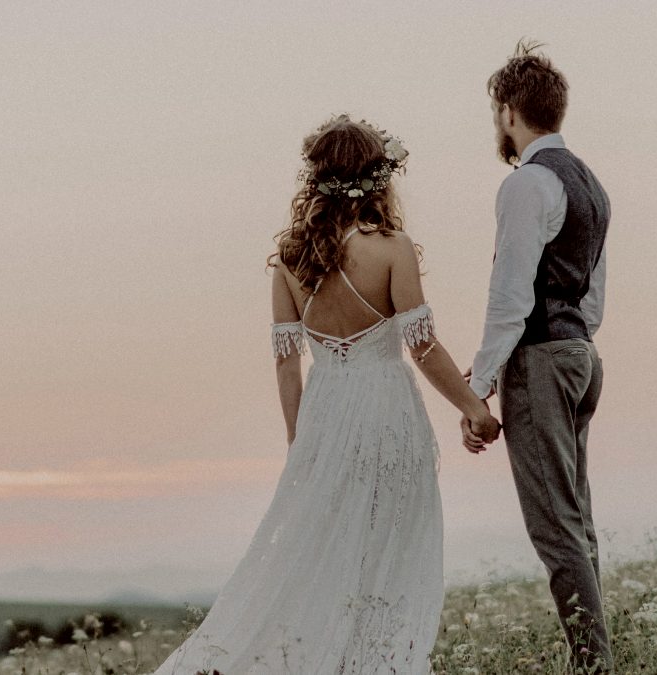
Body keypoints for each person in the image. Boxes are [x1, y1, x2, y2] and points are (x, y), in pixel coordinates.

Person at [152, 114, 500, 675]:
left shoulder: (291, 257)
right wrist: (474, 410)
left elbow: (286, 363)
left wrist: (300, 441)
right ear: (377, 178)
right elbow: (424, 347)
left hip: (325, 414)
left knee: (320, 551)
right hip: (386, 410)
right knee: (387, 546)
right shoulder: (392, 248)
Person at [461, 41, 613, 672]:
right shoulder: (591, 184)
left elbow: (509, 296)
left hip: (542, 361)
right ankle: (595, 657)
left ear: (508, 113)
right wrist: (573, 342)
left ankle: (592, 665)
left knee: (554, 527)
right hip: (581, 353)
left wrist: (479, 388)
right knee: (576, 518)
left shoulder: (528, 184)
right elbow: (594, 295)